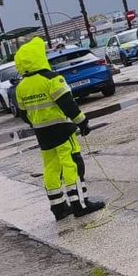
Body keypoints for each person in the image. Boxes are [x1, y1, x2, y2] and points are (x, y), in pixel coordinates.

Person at [13, 37, 104, 220]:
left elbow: (23, 114)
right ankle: (80, 204)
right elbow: (67, 104)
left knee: (51, 169)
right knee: (72, 164)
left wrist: (37, 123)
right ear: (39, 57)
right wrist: (82, 122)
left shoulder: (21, 87)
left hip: (42, 135)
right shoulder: (52, 79)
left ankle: (59, 208)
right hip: (63, 130)